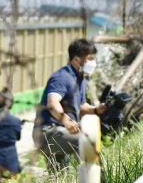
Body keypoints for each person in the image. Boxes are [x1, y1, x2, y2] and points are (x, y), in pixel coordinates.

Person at [32, 38, 107, 169]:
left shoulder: (80, 78)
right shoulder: (62, 77)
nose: (92, 63)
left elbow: (80, 106)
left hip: (61, 131)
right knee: (85, 141)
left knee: (59, 173)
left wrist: (96, 110)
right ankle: (89, 181)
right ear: (77, 60)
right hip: (48, 131)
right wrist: (66, 121)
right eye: (89, 58)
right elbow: (52, 103)